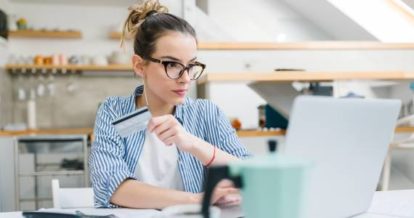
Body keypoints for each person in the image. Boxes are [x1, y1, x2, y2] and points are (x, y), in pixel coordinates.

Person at [89, 0, 250, 209]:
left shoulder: (207, 113)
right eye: (172, 65)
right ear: (139, 65)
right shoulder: (114, 111)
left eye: (191, 66)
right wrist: (196, 199)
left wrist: (193, 144)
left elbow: (251, 175)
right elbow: (112, 186)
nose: (186, 78)